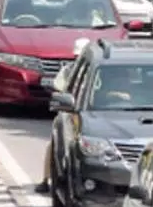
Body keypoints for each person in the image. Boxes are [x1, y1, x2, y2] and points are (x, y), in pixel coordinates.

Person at [35, 38, 91, 193]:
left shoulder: (95, 71)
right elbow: (58, 89)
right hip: (69, 113)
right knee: (54, 145)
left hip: (89, 115)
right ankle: (46, 179)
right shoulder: (68, 71)